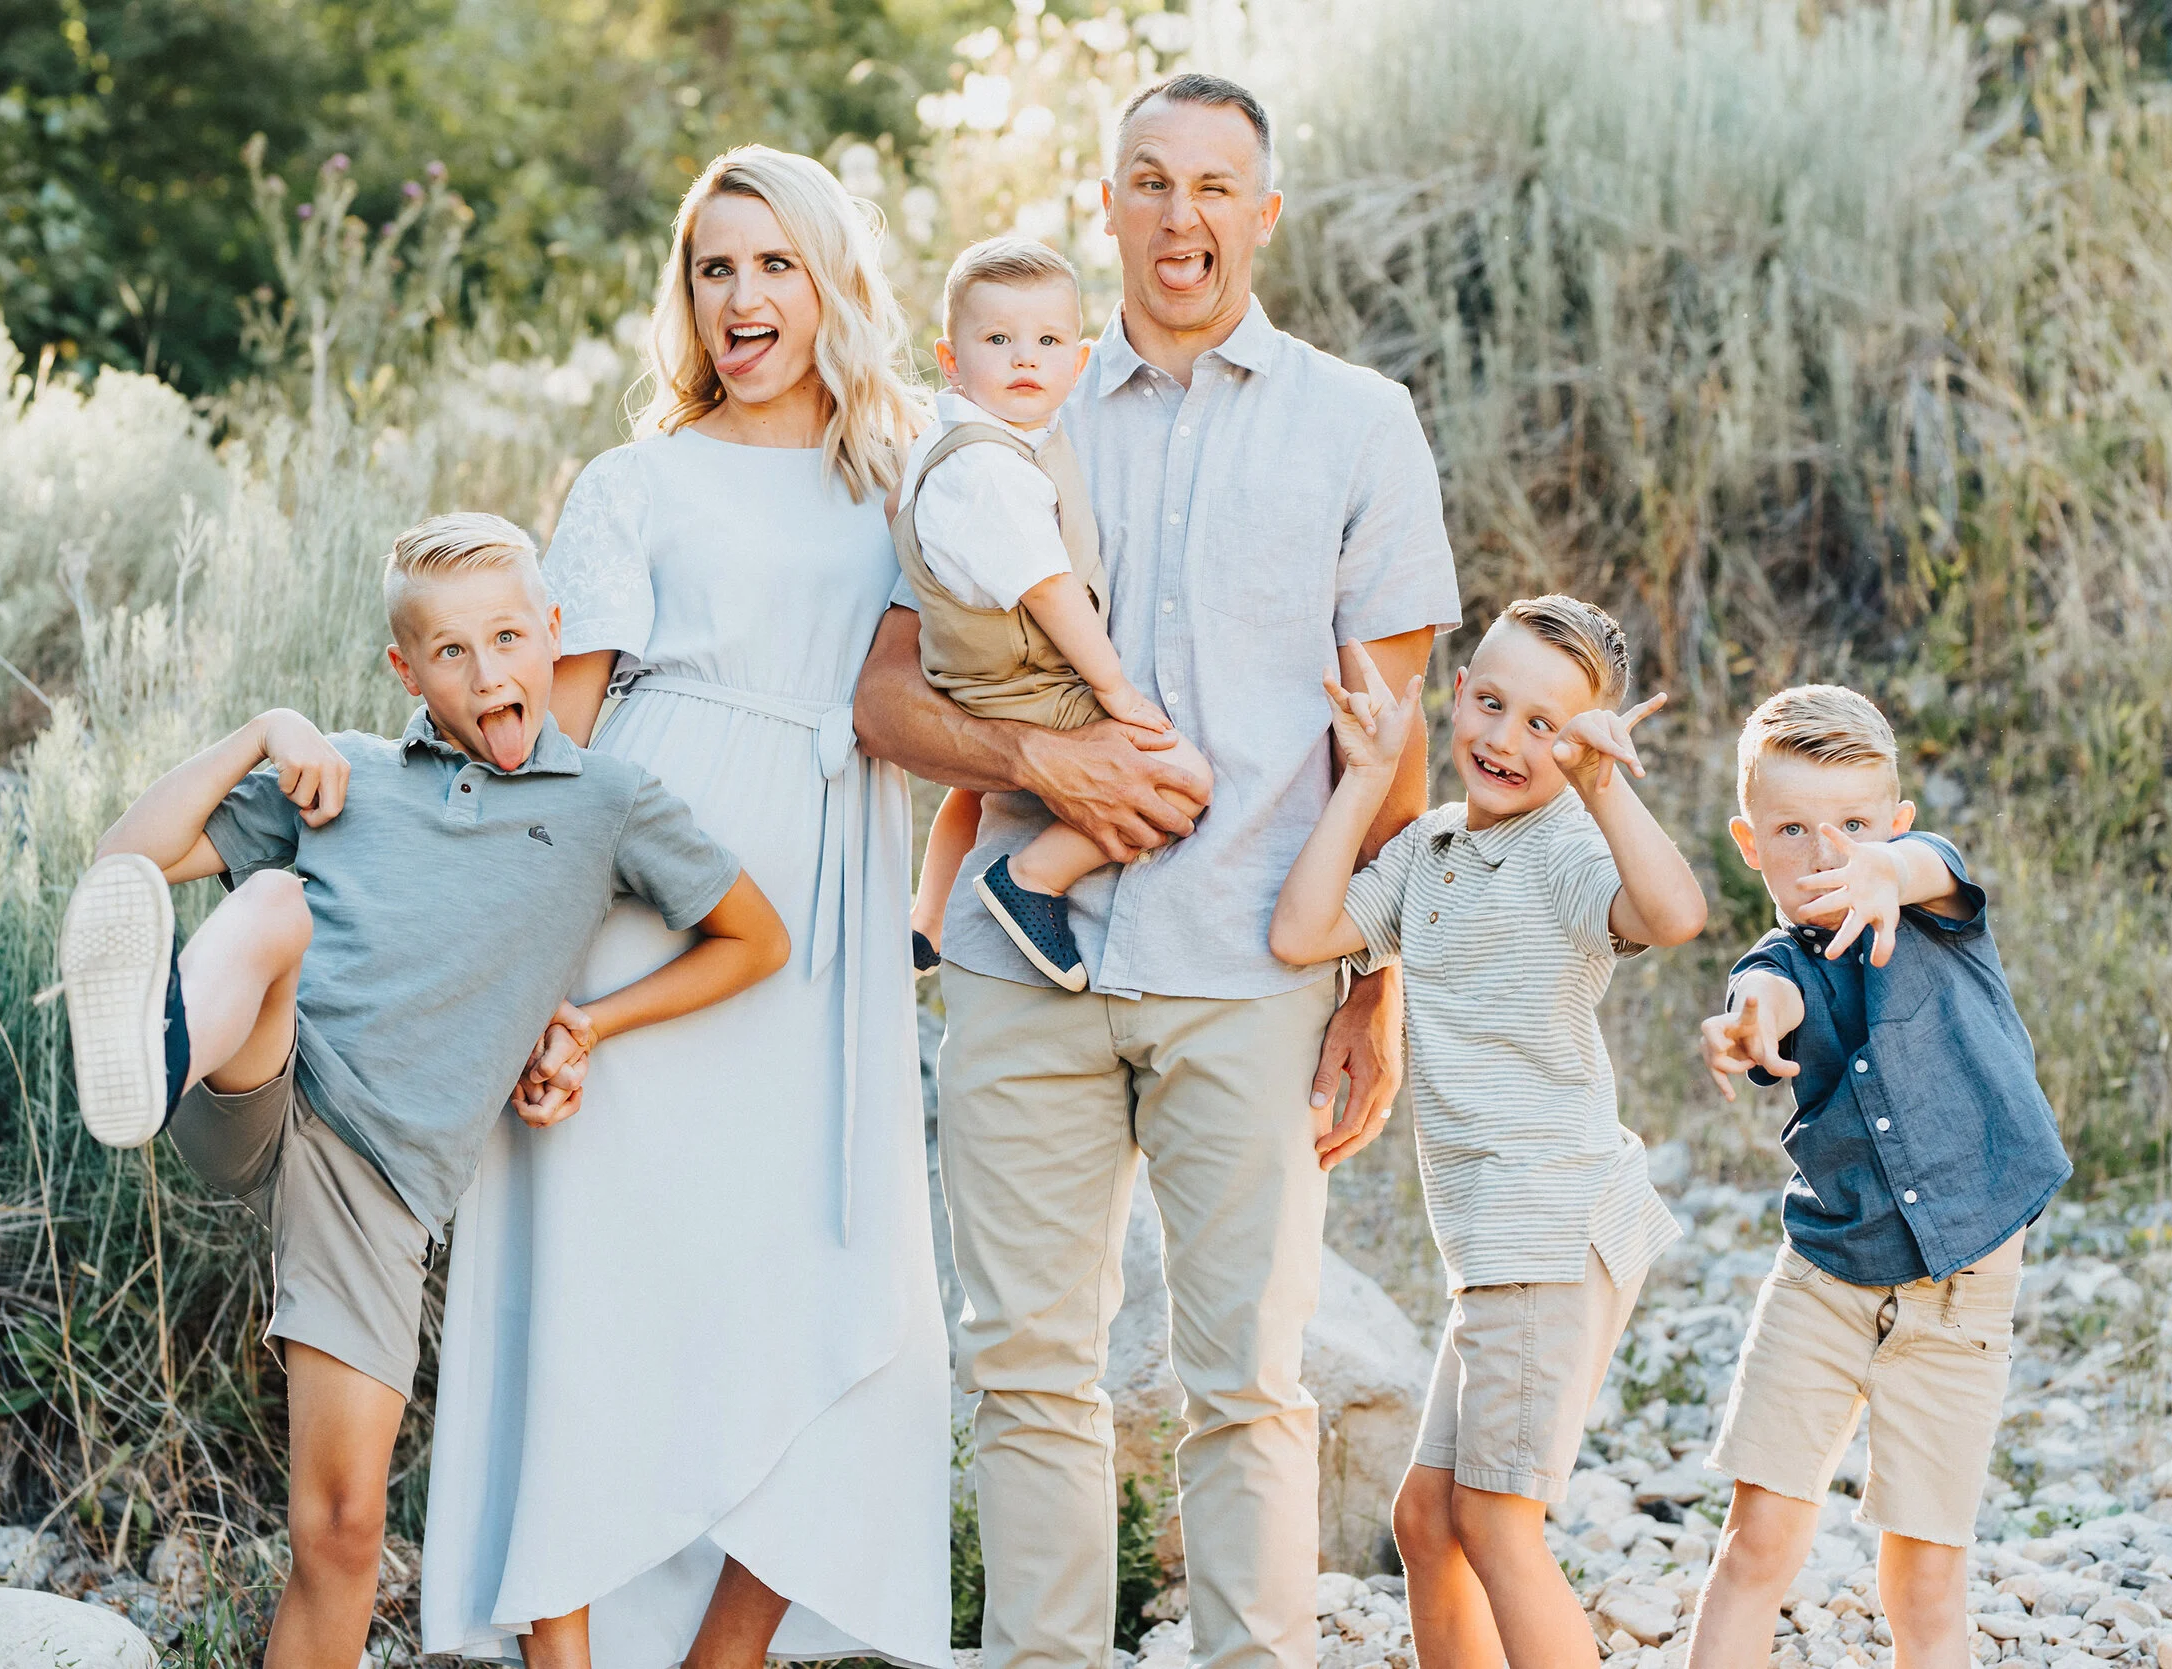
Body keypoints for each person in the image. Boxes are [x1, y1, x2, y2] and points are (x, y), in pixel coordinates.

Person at [854, 73, 1458, 1669]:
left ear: (1264, 213)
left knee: (1249, 1378)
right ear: (1105, 201)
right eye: (1148, 180)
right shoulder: (1000, 419)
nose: (1180, 215)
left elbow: (1388, 741)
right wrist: (1044, 763)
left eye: (1213, 187)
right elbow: (884, 697)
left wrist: (1371, 982)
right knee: (1027, 1368)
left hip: (1252, 964)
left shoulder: (1359, 424)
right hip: (1017, 969)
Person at [52, 513, 786, 1669]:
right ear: (406, 670)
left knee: (340, 1530)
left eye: (507, 636)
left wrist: (592, 1023)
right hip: (256, 1078)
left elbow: (754, 939)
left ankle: (156, 1047)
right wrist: (262, 733)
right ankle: (151, 1049)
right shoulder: (346, 772)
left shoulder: (607, 803)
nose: (489, 671)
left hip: (372, 1183)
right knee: (275, 906)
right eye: (451, 651)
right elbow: (125, 860)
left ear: (552, 632)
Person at [419, 147, 952, 1669]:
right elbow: (559, 751)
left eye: (774, 263)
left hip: (824, 935)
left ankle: (722, 1658)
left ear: (830, 279)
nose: (742, 298)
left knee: (848, 1324)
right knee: (595, 1295)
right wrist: (524, 967)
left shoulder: (904, 474)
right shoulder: (633, 481)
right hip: (649, 911)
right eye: (715, 268)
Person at [1269, 599, 1706, 1669]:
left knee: (1496, 1521)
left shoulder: (1564, 847)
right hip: (1496, 1249)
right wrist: (1371, 774)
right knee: (1427, 1522)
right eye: (1493, 703)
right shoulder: (1429, 848)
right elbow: (1301, 934)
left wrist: (1605, 793)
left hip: (1548, 1227)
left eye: (1547, 725)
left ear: (1584, 744)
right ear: (1457, 693)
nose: (1508, 740)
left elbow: (1673, 913)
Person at [1686, 685, 2071, 1669]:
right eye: (1793, 830)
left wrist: (1886, 869)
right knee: (1757, 1539)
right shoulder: (1780, 960)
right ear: (1749, 843)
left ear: (1890, 824)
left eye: (1853, 826)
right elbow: (1760, 989)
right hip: (1823, 1277)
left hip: (1960, 1285)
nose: (1826, 855)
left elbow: (1930, 862)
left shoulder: (1932, 906)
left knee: (1926, 1573)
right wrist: (1749, 1024)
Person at [897, 234, 1213, 990]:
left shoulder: (970, 440)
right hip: (1020, 673)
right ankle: (1033, 876)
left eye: (1046, 341)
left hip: (973, 667)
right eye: (997, 340)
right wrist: (1116, 693)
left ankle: (927, 918)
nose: (1023, 360)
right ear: (951, 360)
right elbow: (1050, 592)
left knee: (975, 787)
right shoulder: (990, 472)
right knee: (1183, 777)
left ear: (1079, 360)